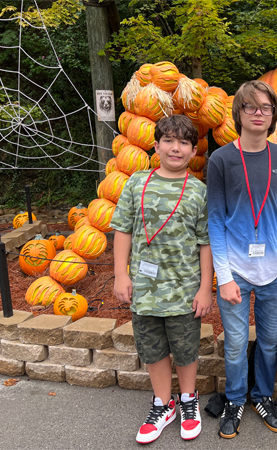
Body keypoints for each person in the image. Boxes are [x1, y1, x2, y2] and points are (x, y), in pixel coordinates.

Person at [207, 80, 277, 439]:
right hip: (235, 269)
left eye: (266, 107)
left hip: (276, 267)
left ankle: (262, 395)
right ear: (239, 114)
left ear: (274, 114)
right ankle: (234, 400)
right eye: (251, 107)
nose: (259, 113)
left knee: (268, 340)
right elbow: (215, 221)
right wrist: (224, 276)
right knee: (233, 343)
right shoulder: (221, 160)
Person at [111, 114, 213, 444]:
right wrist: (121, 275)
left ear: (193, 150)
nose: (175, 148)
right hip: (144, 289)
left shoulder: (199, 191)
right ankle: (162, 403)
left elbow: (205, 242)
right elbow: (123, 229)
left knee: (185, 350)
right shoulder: (136, 183)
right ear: (156, 146)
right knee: (152, 349)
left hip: (184, 289)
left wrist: (204, 288)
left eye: (183, 142)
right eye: (168, 140)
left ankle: (187, 399)